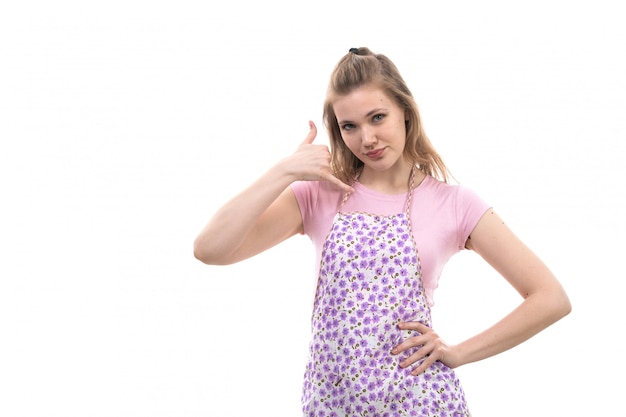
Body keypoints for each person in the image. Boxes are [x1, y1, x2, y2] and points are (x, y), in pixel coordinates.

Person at [193, 47, 571, 416]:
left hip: (418, 402)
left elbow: (550, 297)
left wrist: (457, 353)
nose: (367, 139)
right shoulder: (319, 194)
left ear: (405, 112)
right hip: (331, 404)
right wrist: (286, 171)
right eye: (349, 126)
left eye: (377, 117)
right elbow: (210, 249)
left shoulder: (454, 204)